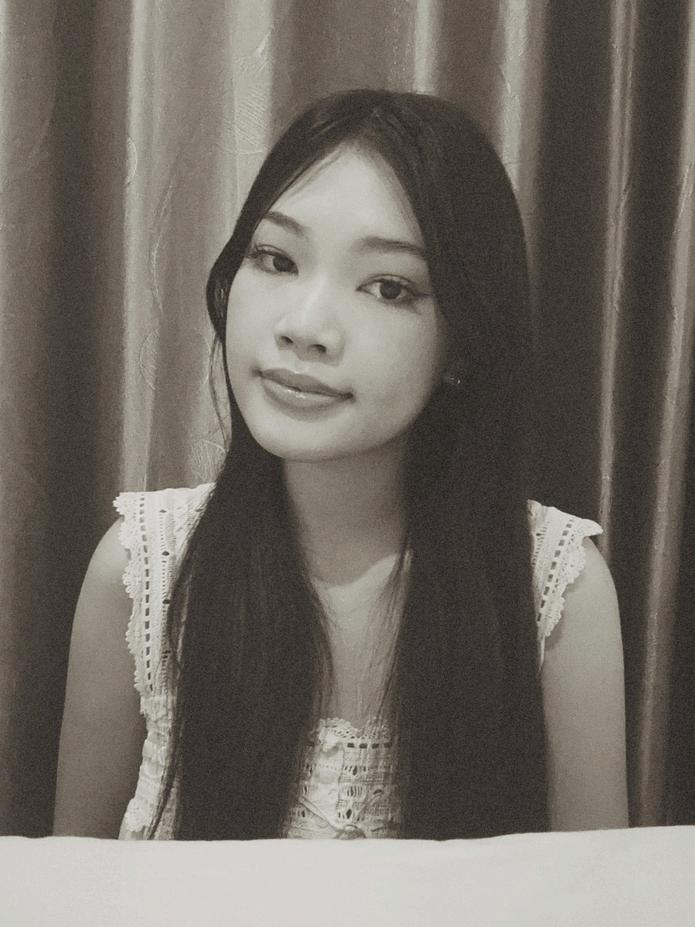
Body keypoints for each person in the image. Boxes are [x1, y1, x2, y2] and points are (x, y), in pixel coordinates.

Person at [53, 89, 628, 841]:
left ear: (463, 343)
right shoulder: (142, 573)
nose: (304, 327)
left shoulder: (556, 590)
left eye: (387, 286)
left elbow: (598, 893)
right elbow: (71, 885)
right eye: (276, 259)